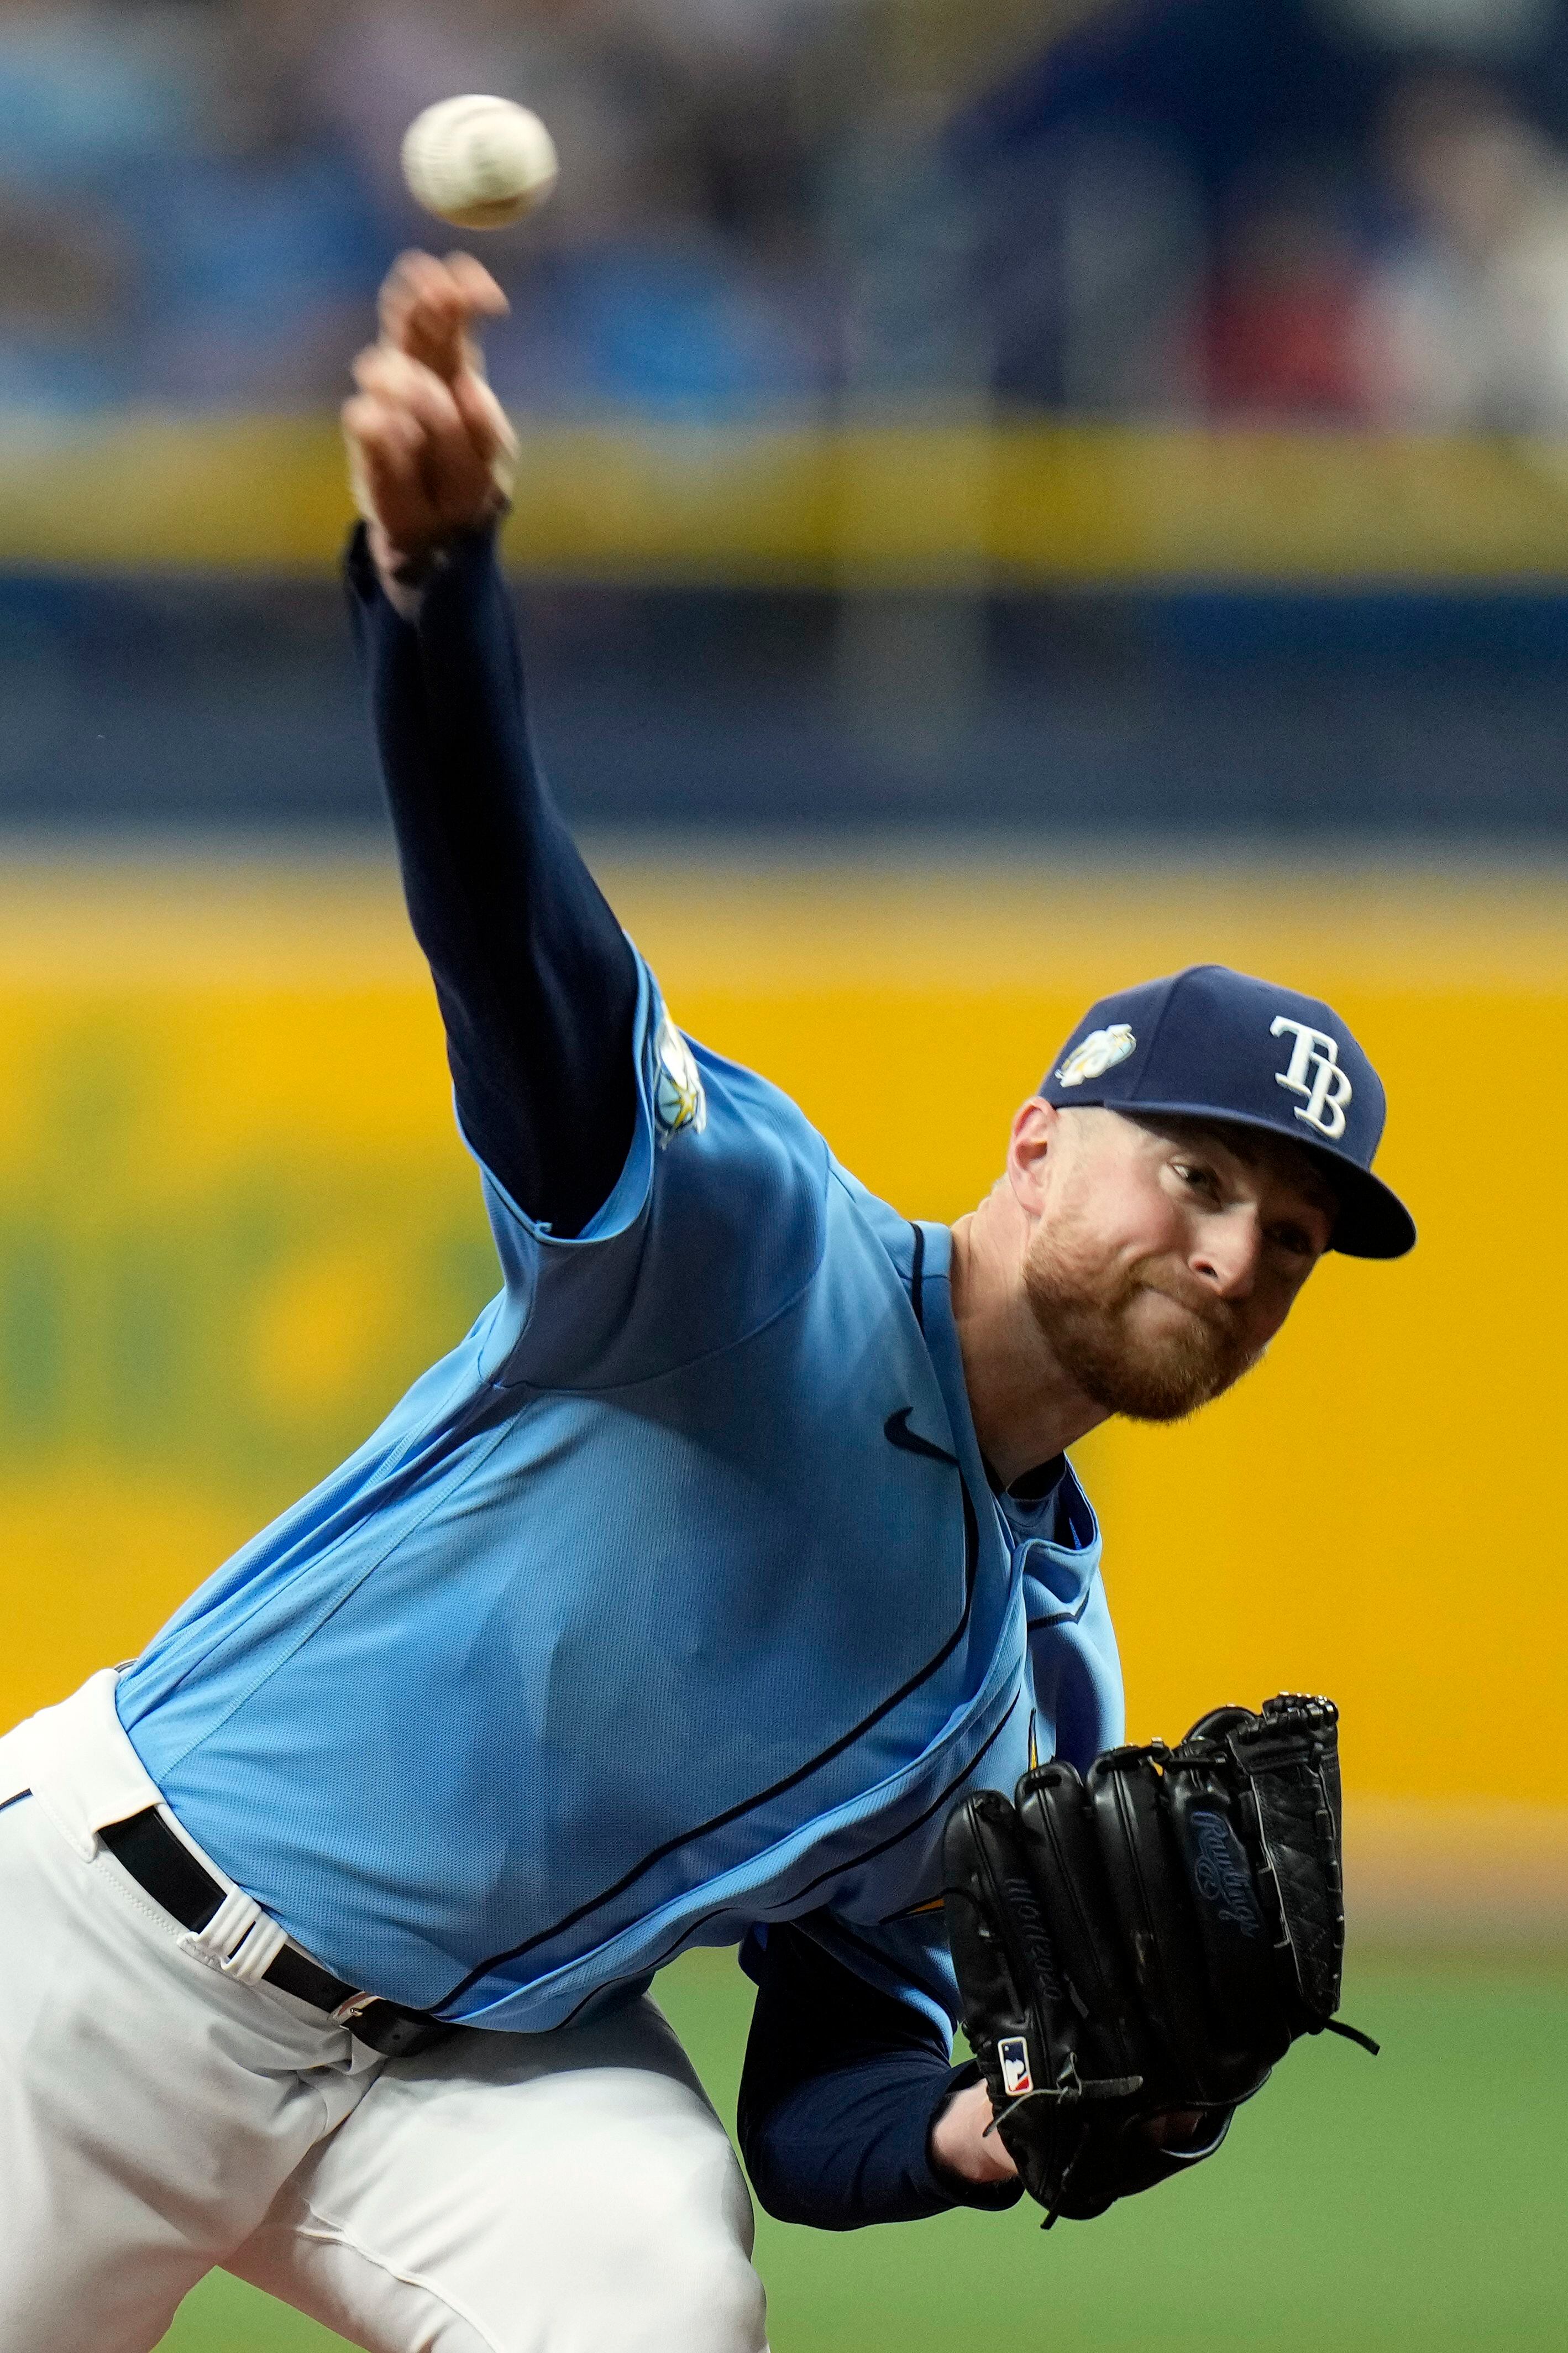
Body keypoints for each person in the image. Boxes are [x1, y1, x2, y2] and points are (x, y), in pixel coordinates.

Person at [0, 253, 1415, 2353]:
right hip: (111, 1950)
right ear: (1039, 1140)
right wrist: (439, 589)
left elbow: (825, 2090)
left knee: (655, 2295)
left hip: (475, 2077)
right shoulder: (749, 1239)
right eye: (1197, 1175)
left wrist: (967, 2133)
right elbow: (519, 941)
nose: (1228, 1252)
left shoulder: (1037, 1686)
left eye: (1287, 1241)